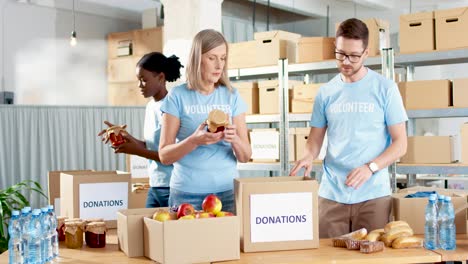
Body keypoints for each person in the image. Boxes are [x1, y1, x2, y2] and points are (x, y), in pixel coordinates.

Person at [290, 18, 408, 238]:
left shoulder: (385, 89)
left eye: (354, 56)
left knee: (372, 259)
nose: (346, 61)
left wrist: (370, 167)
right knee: (328, 259)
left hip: (373, 195)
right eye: (341, 53)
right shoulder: (325, 93)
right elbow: (315, 140)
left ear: (366, 53)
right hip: (331, 194)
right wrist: (307, 156)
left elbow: (400, 143)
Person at [158, 29, 251, 213]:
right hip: (186, 194)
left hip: (227, 193)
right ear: (197, 59)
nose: (219, 66)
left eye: (223, 58)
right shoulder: (177, 96)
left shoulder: (232, 96)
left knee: (226, 243)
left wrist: (235, 140)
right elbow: (164, 155)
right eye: (212, 58)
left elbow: (245, 156)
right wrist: (194, 140)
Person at [98, 52, 183, 208]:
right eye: (139, 80)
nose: (139, 86)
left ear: (161, 78)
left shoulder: (172, 107)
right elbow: (152, 146)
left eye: (144, 80)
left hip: (171, 187)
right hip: (155, 185)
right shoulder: (151, 106)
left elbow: (172, 155)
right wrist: (126, 137)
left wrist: (135, 151)